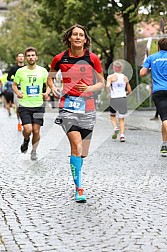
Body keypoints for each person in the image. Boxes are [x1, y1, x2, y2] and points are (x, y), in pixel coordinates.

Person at [47, 24, 104, 203]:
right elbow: (50, 77)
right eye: (75, 35)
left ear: (85, 40)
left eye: (81, 35)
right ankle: (79, 187)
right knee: (77, 146)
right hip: (67, 107)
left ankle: (76, 166)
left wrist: (89, 87)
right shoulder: (59, 58)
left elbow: (101, 83)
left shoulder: (93, 58)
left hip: (87, 108)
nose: (78, 37)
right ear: (69, 38)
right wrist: (53, 87)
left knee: (83, 151)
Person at [12, 47, 49, 161]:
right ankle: (26, 140)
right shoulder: (20, 71)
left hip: (38, 105)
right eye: (28, 55)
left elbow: (49, 85)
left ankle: (34, 151)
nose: (31, 57)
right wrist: (18, 92)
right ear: (26, 58)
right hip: (24, 105)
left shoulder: (42, 71)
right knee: (28, 130)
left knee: (36, 131)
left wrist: (46, 93)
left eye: (33, 55)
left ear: (36, 57)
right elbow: (14, 85)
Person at [140, 38, 167, 157]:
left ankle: (165, 144)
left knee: (164, 118)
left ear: (158, 47)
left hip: (159, 91)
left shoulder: (152, 57)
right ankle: (165, 144)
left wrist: (151, 69)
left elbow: (142, 73)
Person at [106, 60, 132, 142]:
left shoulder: (110, 77)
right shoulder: (125, 77)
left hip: (114, 98)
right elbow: (129, 90)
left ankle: (115, 127)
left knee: (112, 116)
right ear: (121, 68)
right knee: (121, 118)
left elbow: (107, 86)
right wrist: (125, 94)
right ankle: (122, 136)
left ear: (114, 67)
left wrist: (109, 93)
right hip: (122, 98)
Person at [7, 52, 25, 130]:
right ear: (17, 58)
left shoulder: (26, 67)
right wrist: (15, 81)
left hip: (26, 90)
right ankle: (19, 121)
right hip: (17, 89)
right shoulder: (14, 68)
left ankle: (26, 121)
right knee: (18, 106)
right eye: (19, 57)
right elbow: (8, 77)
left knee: (26, 106)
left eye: (22, 56)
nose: (21, 58)